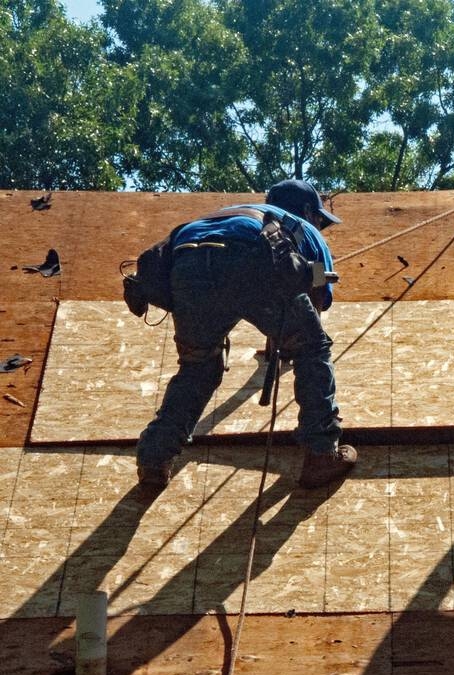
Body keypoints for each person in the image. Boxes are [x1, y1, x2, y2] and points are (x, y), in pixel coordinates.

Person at [135, 179, 358, 490]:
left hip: (186, 263)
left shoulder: (226, 215)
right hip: (251, 256)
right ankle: (322, 453)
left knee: (198, 368)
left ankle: (154, 459)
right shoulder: (302, 228)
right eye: (320, 220)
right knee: (313, 348)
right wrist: (292, 341)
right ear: (309, 210)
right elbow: (318, 300)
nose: (320, 227)